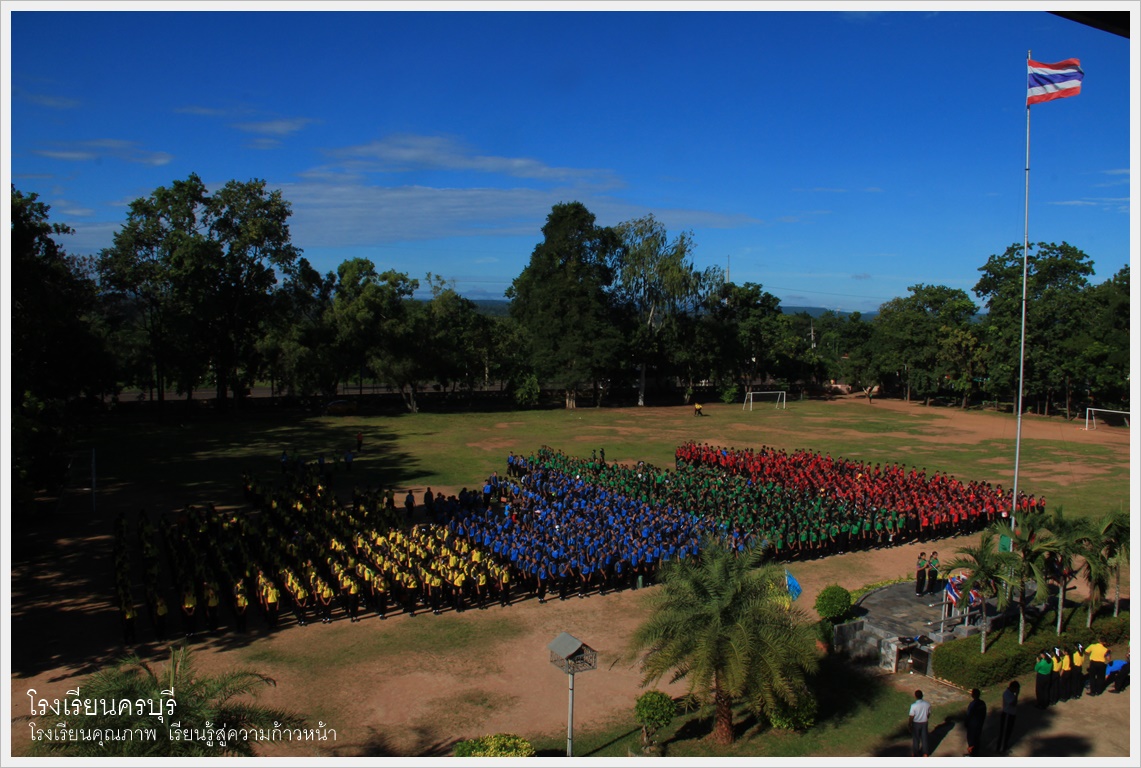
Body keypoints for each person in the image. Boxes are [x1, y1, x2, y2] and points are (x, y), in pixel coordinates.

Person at [996, 680, 1019, 754]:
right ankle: (1001, 749)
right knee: (1004, 732)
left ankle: (1004, 746)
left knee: (1008, 732)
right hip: (1007, 715)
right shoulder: (1007, 694)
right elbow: (1013, 703)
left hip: (1011, 715)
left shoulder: (1011, 693)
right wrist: (1016, 695)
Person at [908, 689, 931, 757]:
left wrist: (909, 724)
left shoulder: (913, 706)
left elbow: (912, 716)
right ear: (922, 695)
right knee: (924, 738)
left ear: (915, 696)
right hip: (924, 723)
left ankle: (915, 753)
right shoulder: (927, 704)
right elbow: (928, 714)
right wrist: (926, 718)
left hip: (916, 723)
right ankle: (925, 753)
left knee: (916, 739)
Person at [964, 688, 986, 757]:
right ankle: (976, 753)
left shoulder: (972, 704)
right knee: (977, 739)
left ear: (973, 695)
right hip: (979, 724)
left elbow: (969, 715)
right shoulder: (982, 703)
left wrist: (966, 723)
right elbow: (984, 714)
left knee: (971, 741)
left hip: (972, 726)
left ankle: (972, 754)